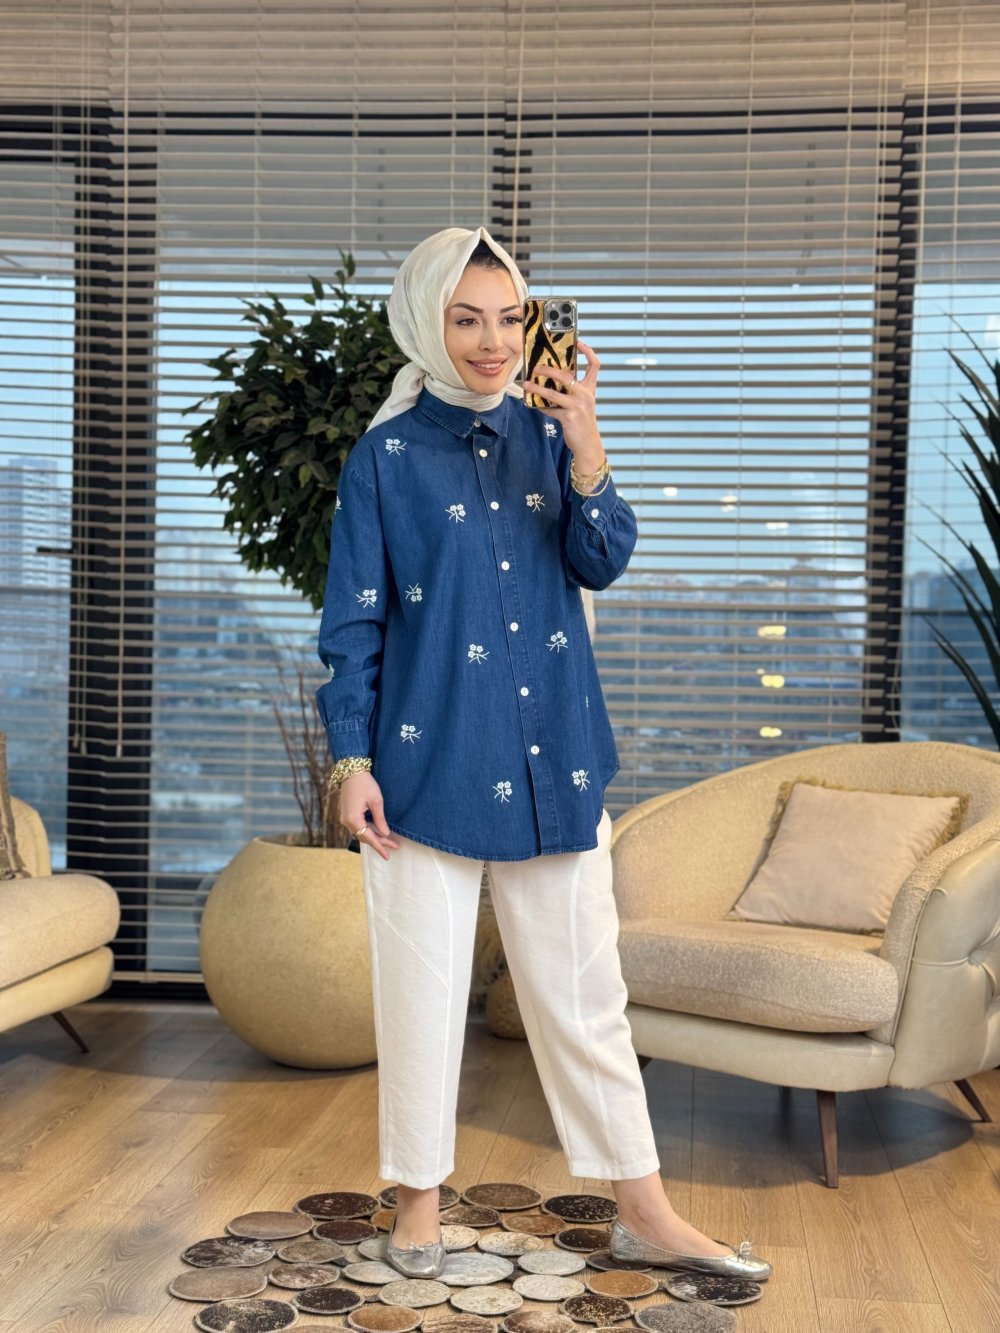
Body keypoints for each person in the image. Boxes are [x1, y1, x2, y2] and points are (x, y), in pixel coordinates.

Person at [316, 226, 771, 1284]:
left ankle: (645, 1212)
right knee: (420, 995)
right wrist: (351, 761)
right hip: (423, 771)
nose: (492, 341)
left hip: (554, 762)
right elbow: (354, 622)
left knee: (586, 998)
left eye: (509, 318)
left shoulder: (549, 432)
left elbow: (602, 560)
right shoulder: (385, 460)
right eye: (465, 319)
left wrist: (585, 436)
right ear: (425, 322)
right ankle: (417, 1211)